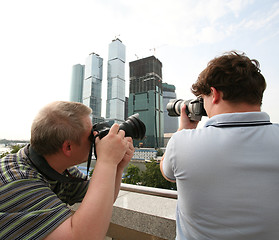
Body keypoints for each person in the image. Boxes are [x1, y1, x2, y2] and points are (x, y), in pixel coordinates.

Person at [160, 51, 279, 240]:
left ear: (214, 94)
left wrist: (184, 130)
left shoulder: (182, 142)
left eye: (203, 98)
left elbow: (167, 173)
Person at [0, 101, 134, 240]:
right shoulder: (18, 181)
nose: (95, 139)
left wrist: (117, 166)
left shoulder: (58, 169)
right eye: (90, 136)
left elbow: (102, 201)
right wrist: (107, 161)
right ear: (68, 147)